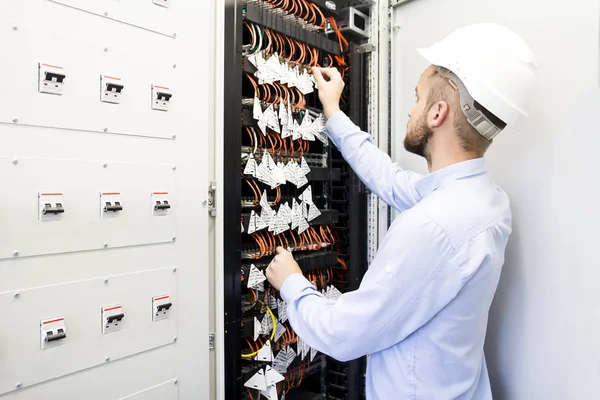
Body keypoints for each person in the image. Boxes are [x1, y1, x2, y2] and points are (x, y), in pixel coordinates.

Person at [266, 23, 537, 399]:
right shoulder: (486, 199)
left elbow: (342, 334)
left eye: (417, 98)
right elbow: (392, 181)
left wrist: (293, 283)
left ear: (437, 113)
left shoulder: (433, 226)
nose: (411, 110)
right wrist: (334, 114)